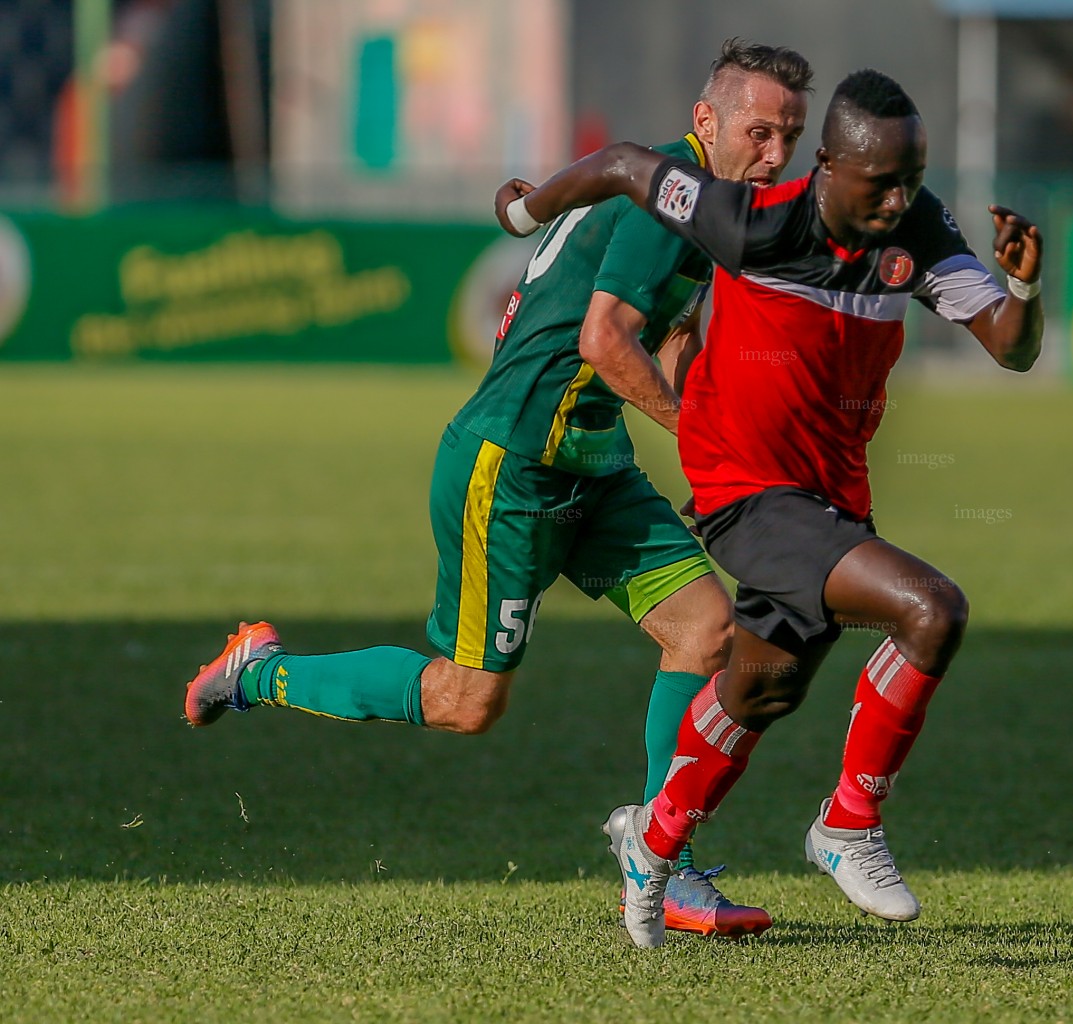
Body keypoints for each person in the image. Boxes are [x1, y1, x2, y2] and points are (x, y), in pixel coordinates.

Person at [182, 39, 814, 940]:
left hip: (593, 464)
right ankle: (260, 673)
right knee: (466, 701)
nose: (776, 156)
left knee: (708, 630)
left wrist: (720, 451)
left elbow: (665, 336)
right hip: (509, 465)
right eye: (761, 132)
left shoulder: (700, 202)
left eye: (789, 137)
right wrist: (712, 437)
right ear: (706, 121)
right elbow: (604, 341)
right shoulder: (667, 196)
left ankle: (660, 857)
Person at [499, 67, 1043, 948]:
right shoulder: (749, 220)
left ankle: (654, 838)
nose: (897, 197)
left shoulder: (918, 227)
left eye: (912, 176)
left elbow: (1012, 351)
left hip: (830, 501)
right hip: (745, 493)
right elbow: (627, 164)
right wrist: (523, 214)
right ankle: (849, 825)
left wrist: (1021, 289)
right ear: (828, 166)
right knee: (932, 610)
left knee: (760, 690)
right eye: (879, 181)